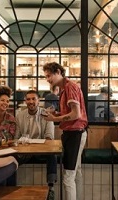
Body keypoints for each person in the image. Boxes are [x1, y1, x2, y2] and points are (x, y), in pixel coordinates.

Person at [42, 62, 87, 200]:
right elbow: (69, 113)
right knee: (75, 173)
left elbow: (76, 114)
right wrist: (56, 113)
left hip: (75, 134)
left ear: (58, 72)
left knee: (68, 177)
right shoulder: (64, 89)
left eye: (49, 76)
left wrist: (53, 119)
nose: (48, 79)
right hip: (74, 133)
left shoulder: (69, 87)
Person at [15, 90, 57, 198]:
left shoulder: (46, 114)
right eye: (28, 99)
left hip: (41, 150)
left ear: (39, 101)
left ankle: (51, 187)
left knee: (52, 154)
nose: (31, 101)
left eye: (34, 99)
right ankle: (11, 188)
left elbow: (49, 137)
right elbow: (17, 136)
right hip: (25, 150)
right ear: (25, 101)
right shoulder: (20, 116)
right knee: (10, 158)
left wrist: (41, 146)